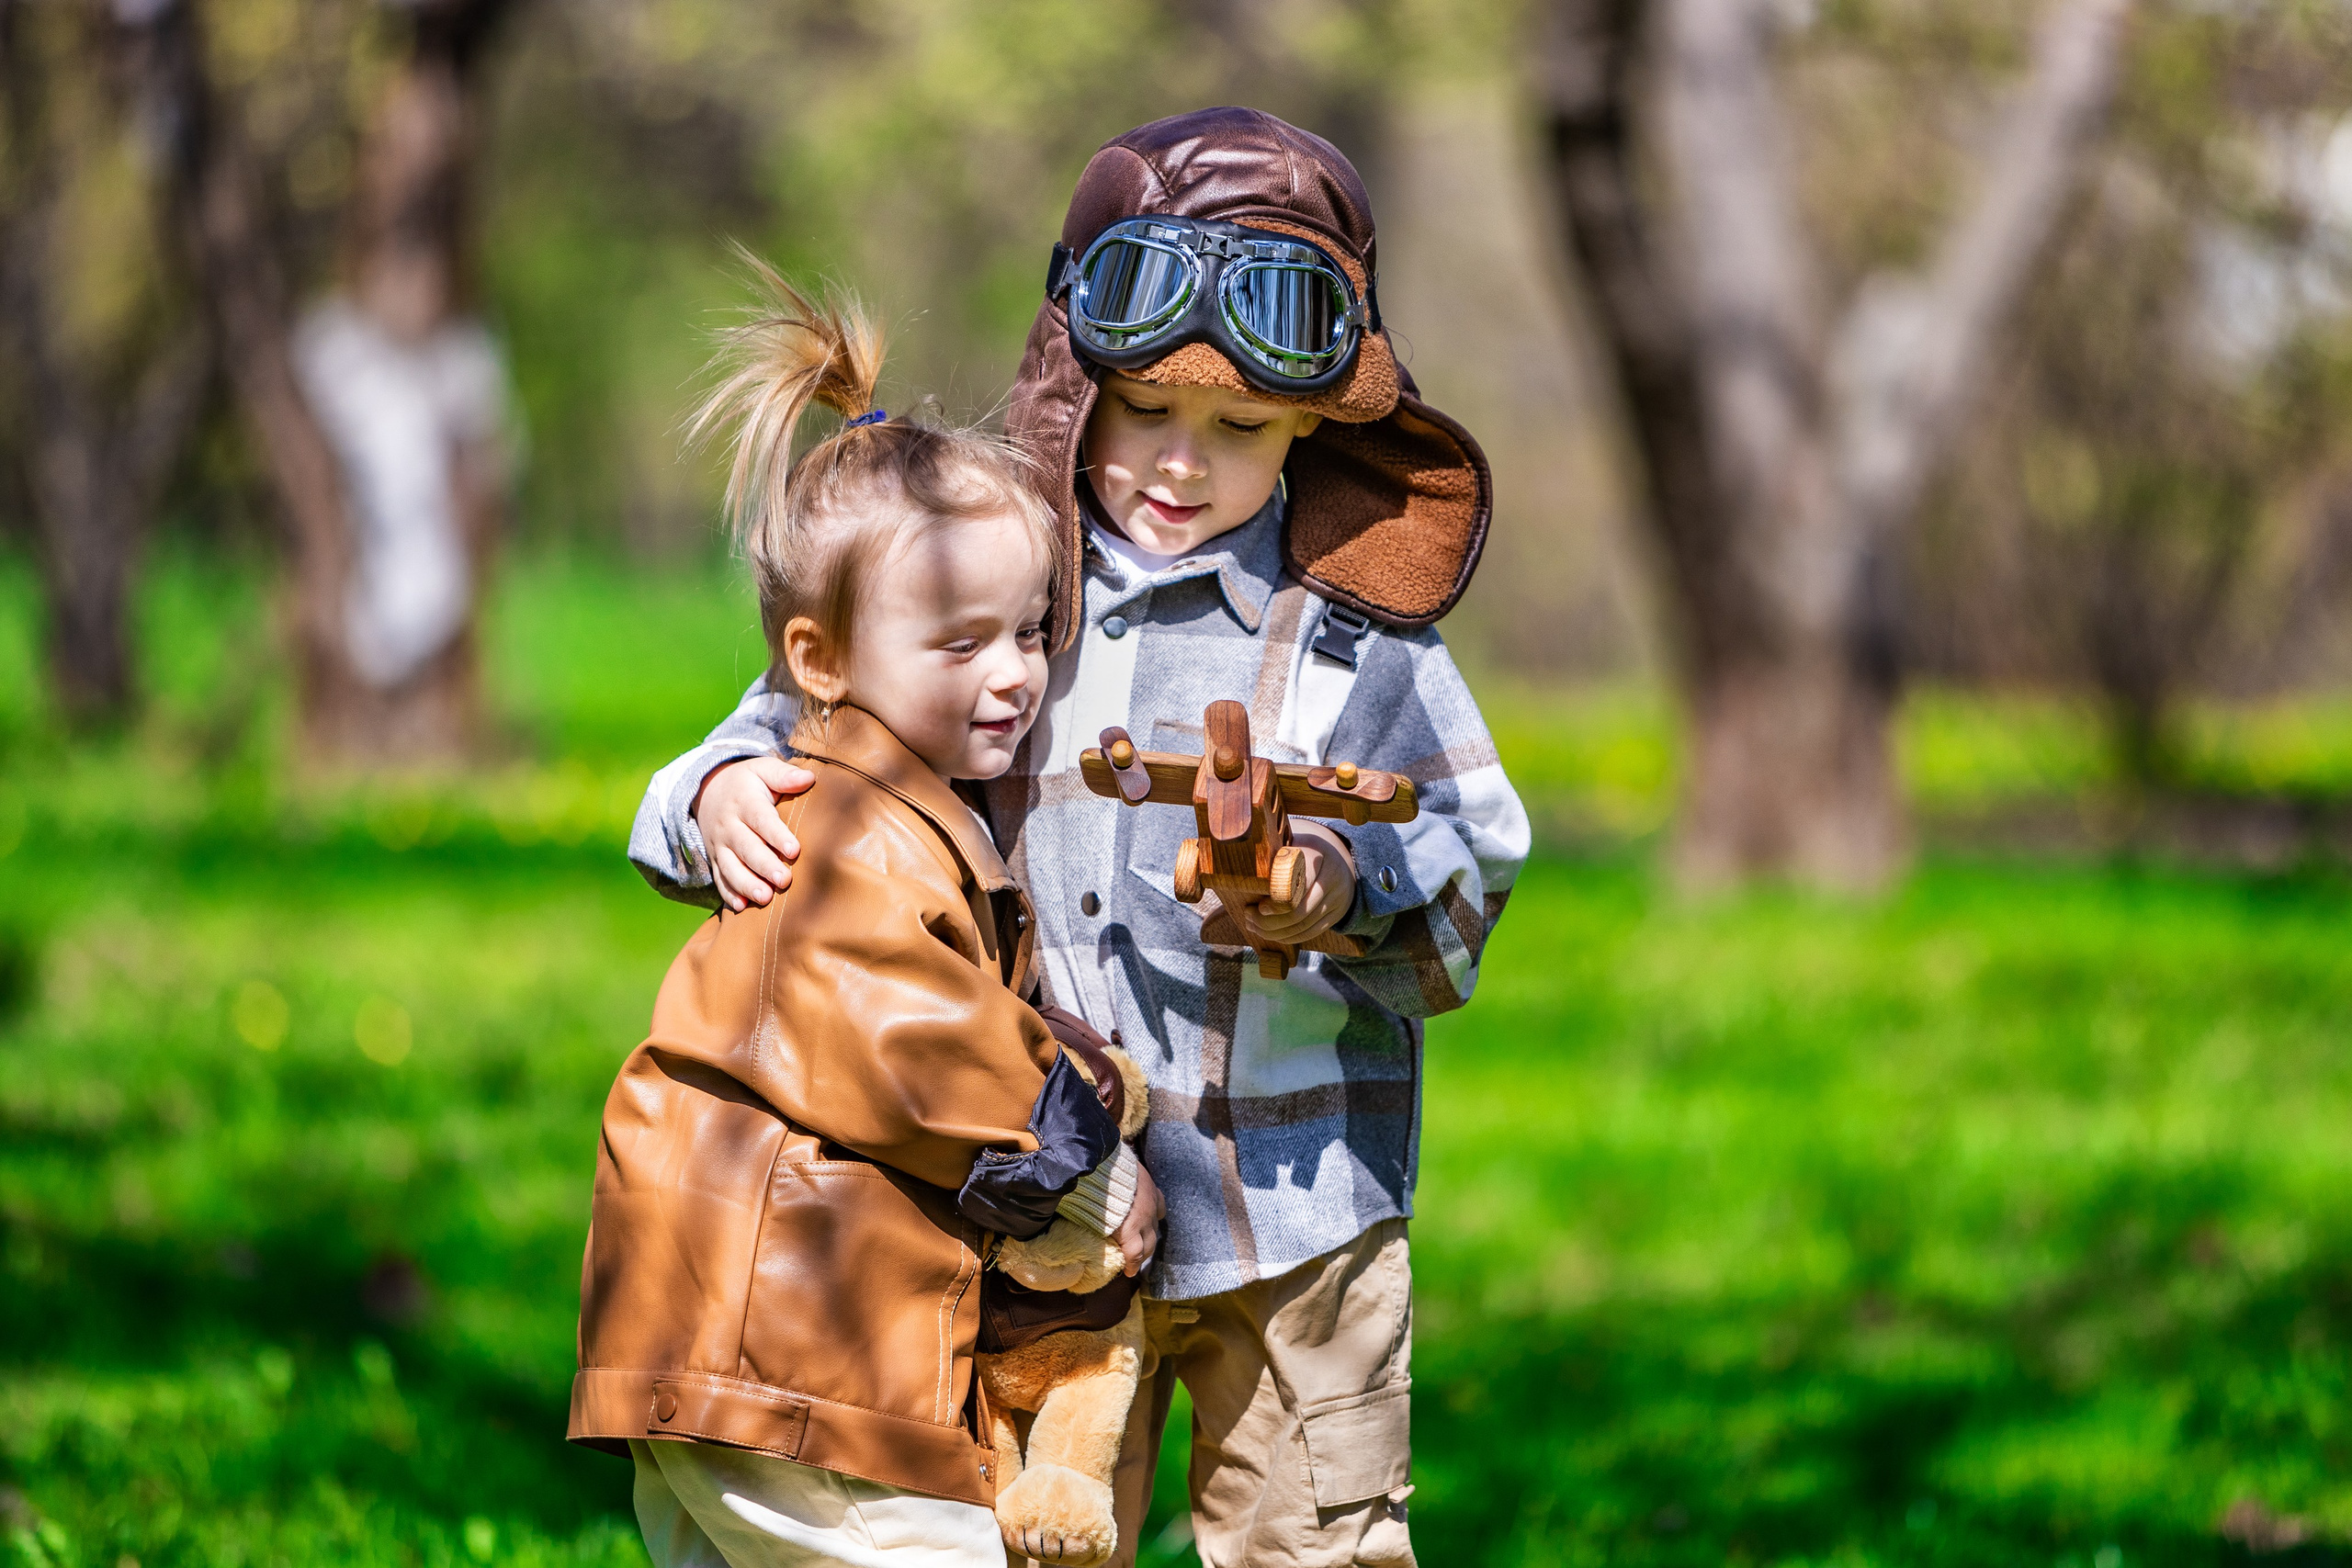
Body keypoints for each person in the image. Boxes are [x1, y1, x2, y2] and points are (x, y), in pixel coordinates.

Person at [630, 110, 1531, 1568]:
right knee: (1037, 1537)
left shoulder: (1359, 646)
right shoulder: (999, 583)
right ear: (1078, 381)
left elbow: (1474, 853)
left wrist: (1340, 890)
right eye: (1145, 412)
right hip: (1041, 1216)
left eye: (1240, 430)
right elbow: (797, 711)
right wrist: (719, 793)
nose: (1180, 465)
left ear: (1314, 423)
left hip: (1300, 1218)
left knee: (1318, 1542)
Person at [571, 265, 1163, 1568]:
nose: (1014, 676)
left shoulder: (874, 794)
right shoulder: (838, 824)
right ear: (819, 663)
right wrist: (1084, 1168)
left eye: (1031, 631)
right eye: (960, 644)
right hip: (793, 1339)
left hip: (722, 1324)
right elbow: (908, 1027)